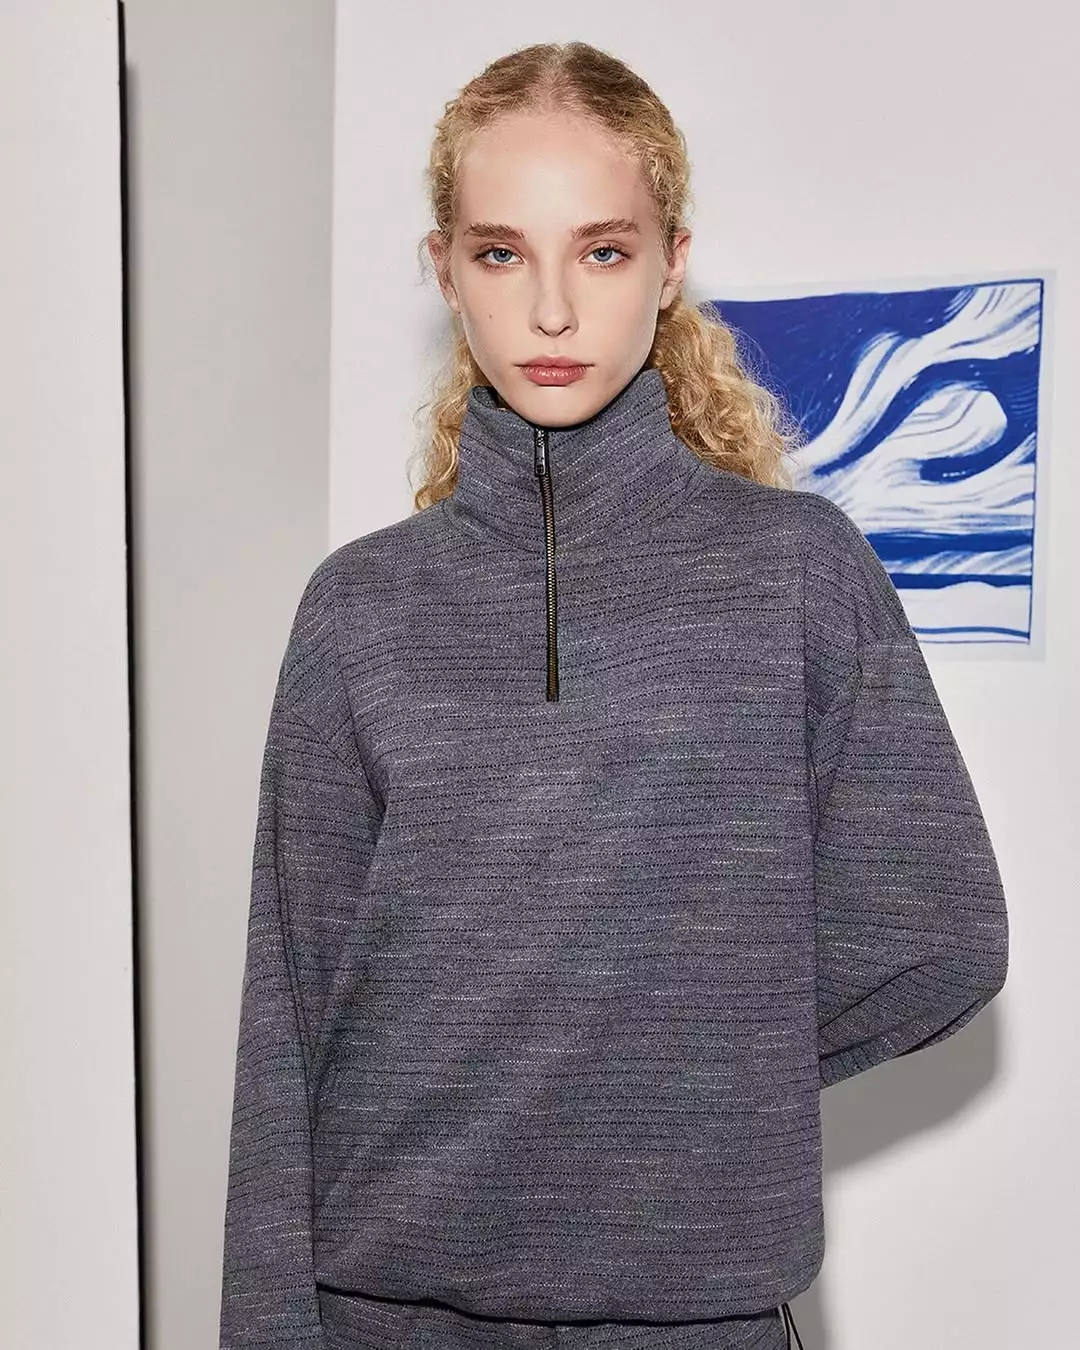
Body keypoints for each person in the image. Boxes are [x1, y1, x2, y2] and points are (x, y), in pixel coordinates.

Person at [218, 40, 1009, 1350]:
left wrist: (685, 1066)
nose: (550, 311)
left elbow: (939, 935)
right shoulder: (359, 606)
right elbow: (289, 1018)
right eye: (500, 253)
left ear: (670, 263)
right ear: (444, 270)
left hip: (692, 1311)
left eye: (600, 250)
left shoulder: (794, 570)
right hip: (384, 1313)